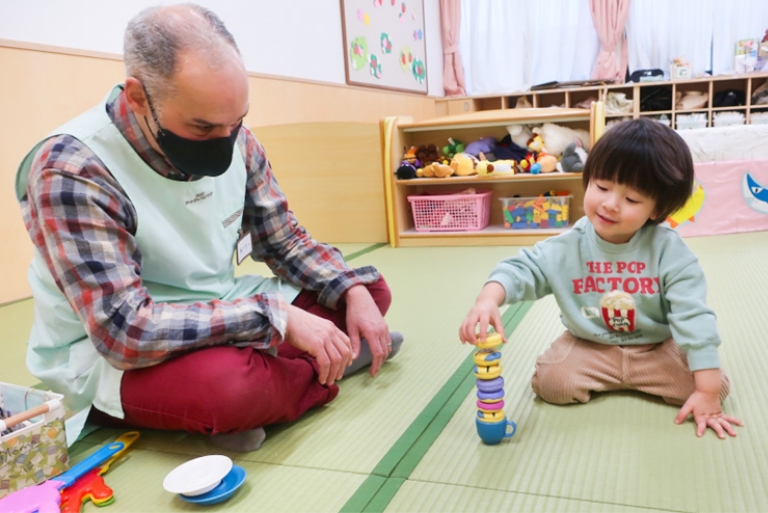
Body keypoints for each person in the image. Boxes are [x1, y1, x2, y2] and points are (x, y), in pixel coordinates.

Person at [16, 3, 403, 452]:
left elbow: (285, 240)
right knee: (228, 389)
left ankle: (267, 391)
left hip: (218, 305)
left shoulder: (235, 136)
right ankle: (283, 383)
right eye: (202, 128)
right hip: (111, 348)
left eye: (235, 122)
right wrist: (275, 318)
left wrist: (351, 290)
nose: (225, 140)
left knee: (368, 293)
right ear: (138, 97)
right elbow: (125, 330)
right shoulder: (71, 168)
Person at [459, 118, 744, 439]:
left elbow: (693, 317)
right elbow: (523, 268)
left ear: (657, 208)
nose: (610, 204)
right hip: (589, 344)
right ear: (589, 179)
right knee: (552, 384)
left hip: (654, 347)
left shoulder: (669, 252)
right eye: (602, 187)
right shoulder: (570, 245)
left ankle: (662, 381)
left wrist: (705, 392)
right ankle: (604, 375)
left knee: (714, 388)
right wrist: (488, 299)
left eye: (631, 199)